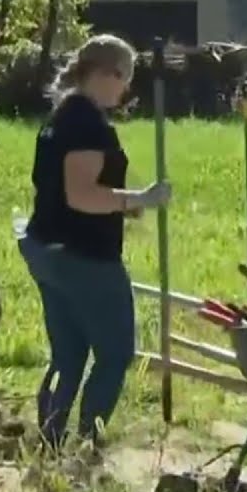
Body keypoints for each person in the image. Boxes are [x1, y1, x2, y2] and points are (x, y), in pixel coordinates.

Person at [16, 34, 171, 453]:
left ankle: (49, 442)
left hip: (46, 246)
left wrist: (123, 206)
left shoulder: (61, 116)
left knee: (67, 356)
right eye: (124, 77)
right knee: (116, 353)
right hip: (84, 256)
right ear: (103, 73)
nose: (126, 88)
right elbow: (80, 195)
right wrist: (140, 198)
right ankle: (90, 442)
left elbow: (71, 191)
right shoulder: (86, 124)